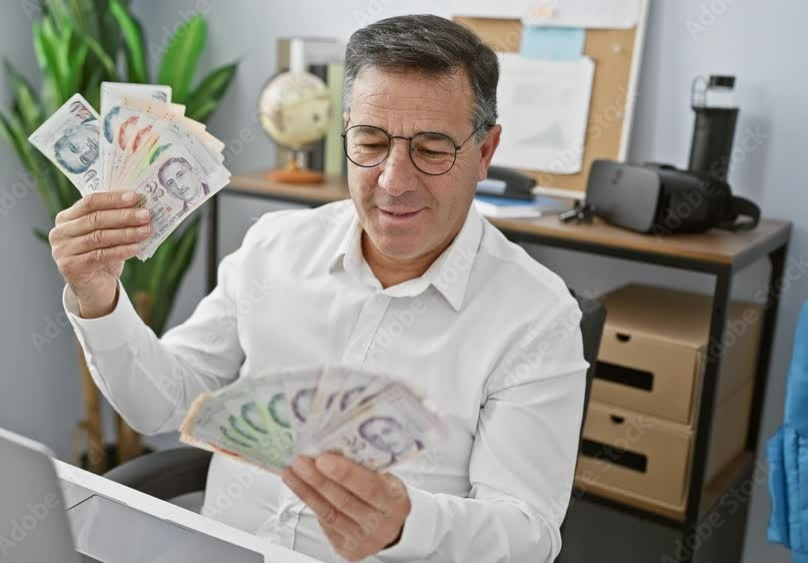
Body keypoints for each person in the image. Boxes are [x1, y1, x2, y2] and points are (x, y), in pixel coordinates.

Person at [49, 14, 587, 563]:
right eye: (371, 142)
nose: (394, 181)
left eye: (431, 150)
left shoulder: (537, 319)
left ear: (485, 153)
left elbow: (528, 534)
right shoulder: (275, 245)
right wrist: (99, 300)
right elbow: (163, 405)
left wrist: (408, 525)